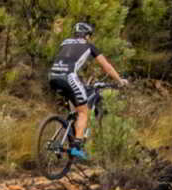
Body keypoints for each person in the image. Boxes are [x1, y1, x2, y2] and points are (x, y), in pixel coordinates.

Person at [46, 21, 128, 160]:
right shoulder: (89, 46)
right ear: (87, 35)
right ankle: (76, 147)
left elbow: (66, 59)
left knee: (75, 108)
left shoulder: (65, 42)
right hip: (68, 77)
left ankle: (67, 133)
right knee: (84, 111)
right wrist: (119, 81)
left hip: (53, 76)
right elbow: (106, 66)